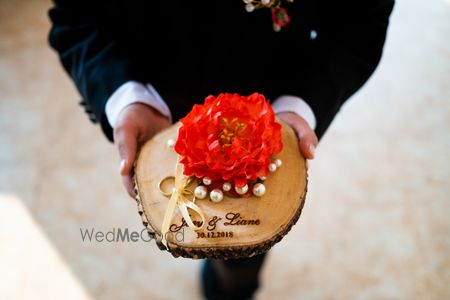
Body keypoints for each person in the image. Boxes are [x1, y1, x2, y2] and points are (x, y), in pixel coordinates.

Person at [48, 0, 394, 299]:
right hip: (157, 97)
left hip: (271, 110)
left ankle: (233, 289)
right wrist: (124, 97)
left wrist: (299, 106)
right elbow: (75, 18)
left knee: (245, 251)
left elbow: (362, 22)